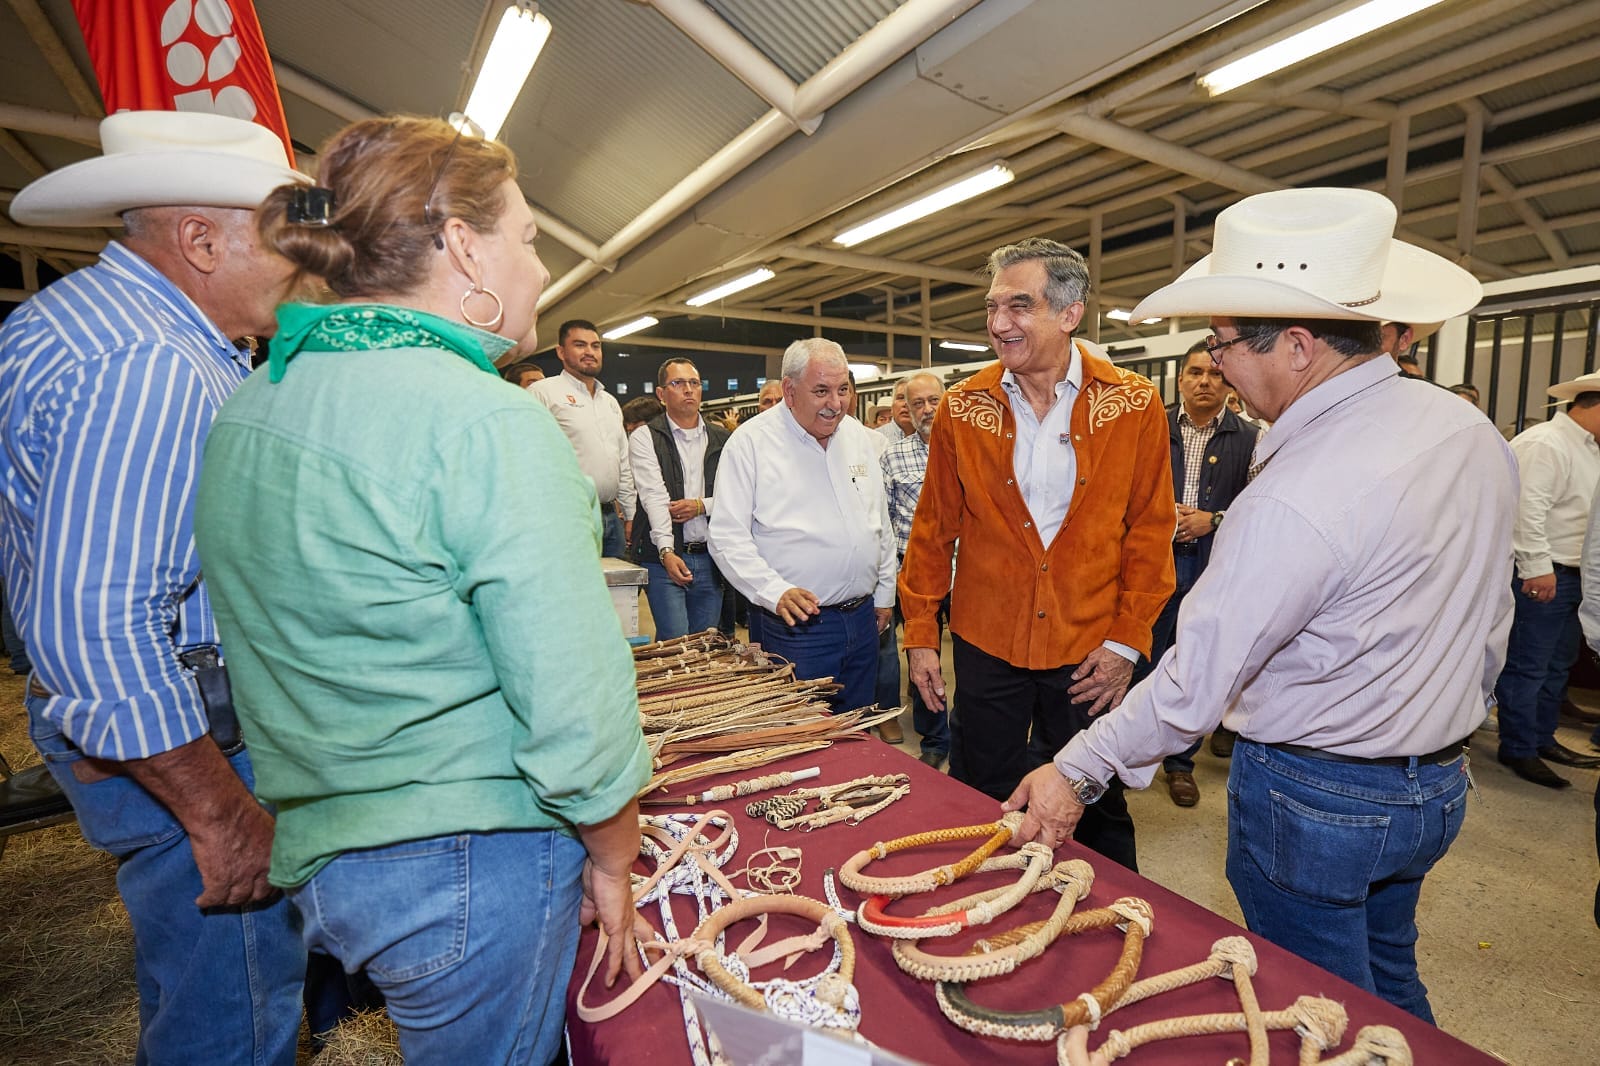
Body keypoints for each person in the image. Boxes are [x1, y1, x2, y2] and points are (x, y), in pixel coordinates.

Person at [191, 115, 650, 1063]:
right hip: (470, 854)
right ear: (465, 247)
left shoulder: (253, 405)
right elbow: (568, 688)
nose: (541, 268)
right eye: (530, 238)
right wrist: (615, 848)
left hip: (331, 848)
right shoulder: (485, 420)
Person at [1006, 187, 1507, 1023]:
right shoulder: (1464, 430)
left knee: (1317, 1009)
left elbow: (1197, 677)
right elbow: (1487, 614)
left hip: (1321, 799)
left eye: (1223, 344)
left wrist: (1075, 769)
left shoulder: (1299, 490)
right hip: (1436, 781)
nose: (1217, 364)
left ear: (1299, 347)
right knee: (1389, 983)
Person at [0, 110, 307, 1064]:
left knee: (196, 981)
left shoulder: (79, 320)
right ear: (202, 241)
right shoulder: (150, 365)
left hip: (148, 726)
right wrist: (220, 813)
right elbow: (97, 621)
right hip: (186, 734)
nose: (301, 265)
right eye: (283, 242)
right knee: (234, 1007)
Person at [899, 236, 1176, 871]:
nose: (999, 323)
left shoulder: (1132, 405)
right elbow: (932, 530)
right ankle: (979, 907)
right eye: (993, 307)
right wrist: (920, 635)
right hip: (987, 640)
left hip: (1089, 647)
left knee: (1092, 799)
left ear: (1070, 313)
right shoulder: (964, 408)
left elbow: (1149, 531)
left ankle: (1109, 914)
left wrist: (1128, 642)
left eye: (1019, 306)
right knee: (980, 791)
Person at [709, 338, 897, 713]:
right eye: (821, 391)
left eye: (843, 390)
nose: (836, 404)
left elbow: (879, 522)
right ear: (790, 391)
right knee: (802, 728)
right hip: (798, 628)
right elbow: (727, 536)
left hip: (863, 620)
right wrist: (773, 590)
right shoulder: (751, 444)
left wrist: (885, 593)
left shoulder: (857, 437)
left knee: (858, 726)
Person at [1145, 340, 1258, 807]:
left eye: (1214, 374)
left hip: (1212, 564)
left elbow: (1260, 507)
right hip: (1152, 563)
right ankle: (1132, 754)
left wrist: (1214, 519)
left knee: (1194, 665)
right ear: (1180, 381)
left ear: (1229, 383)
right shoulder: (1150, 426)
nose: (1204, 382)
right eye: (1195, 373)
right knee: (1140, 659)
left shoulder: (1250, 437)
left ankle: (1179, 763)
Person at [1493, 370, 1600, 788]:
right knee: (1529, 665)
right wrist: (1538, 568)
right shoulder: (1547, 443)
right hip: (1545, 573)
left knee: (1557, 664)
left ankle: (1542, 738)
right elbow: (1527, 510)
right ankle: (1518, 747)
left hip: (1574, 574)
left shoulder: (1586, 448)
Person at [629, 359, 729, 640]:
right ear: (661, 394)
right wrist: (666, 551)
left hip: (711, 557)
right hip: (664, 557)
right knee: (675, 642)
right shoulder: (646, 437)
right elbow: (654, 496)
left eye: (694, 383)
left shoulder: (723, 439)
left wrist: (701, 506)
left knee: (705, 645)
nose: (688, 389)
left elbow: (738, 496)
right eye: (678, 383)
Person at [881, 371, 950, 768]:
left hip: (969, 574)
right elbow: (885, 523)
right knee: (923, 657)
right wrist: (893, 576)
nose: (927, 410)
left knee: (977, 661)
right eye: (917, 403)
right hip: (916, 575)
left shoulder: (970, 447)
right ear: (906, 408)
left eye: (933, 401)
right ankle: (935, 739)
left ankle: (970, 735)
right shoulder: (893, 457)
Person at [530, 320, 635, 556]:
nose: (590, 352)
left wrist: (630, 513)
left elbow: (622, 462)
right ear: (561, 352)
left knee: (617, 580)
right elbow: (529, 460)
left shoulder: (609, 402)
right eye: (580, 345)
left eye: (595, 346)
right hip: (568, 515)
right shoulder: (543, 393)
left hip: (611, 517)